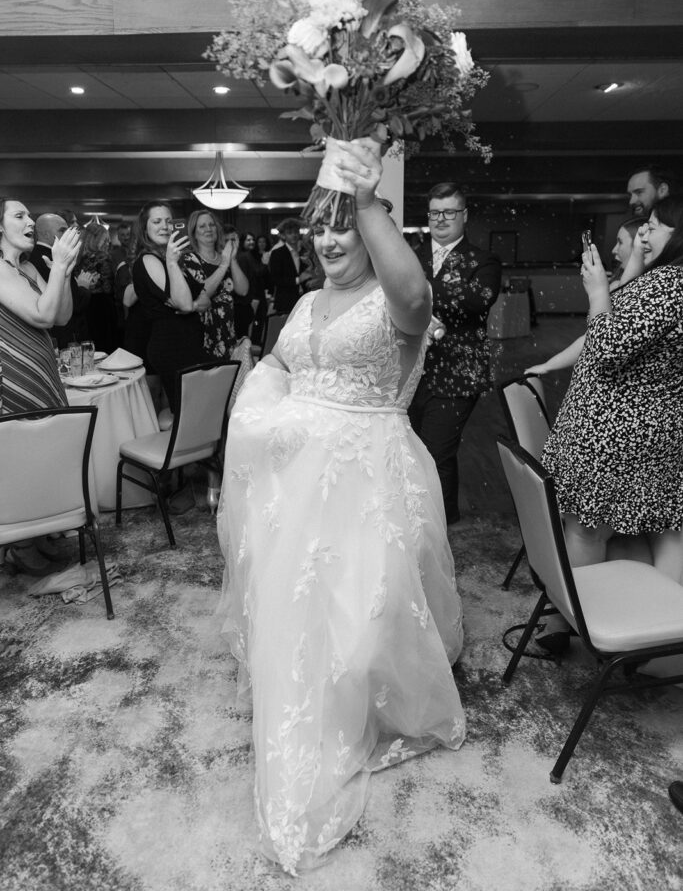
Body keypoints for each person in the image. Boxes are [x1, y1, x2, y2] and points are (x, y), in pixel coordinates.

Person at [216, 140, 465, 875]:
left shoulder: (395, 301)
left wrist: (364, 195)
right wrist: (262, 405)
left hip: (370, 479)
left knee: (363, 616)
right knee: (299, 604)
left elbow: (418, 297)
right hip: (297, 484)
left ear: (370, 230)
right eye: (316, 227)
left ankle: (363, 706)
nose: (326, 240)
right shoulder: (304, 299)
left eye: (342, 225)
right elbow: (283, 365)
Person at [542, 197, 683, 581]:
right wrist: (634, 261)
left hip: (616, 437)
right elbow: (613, 323)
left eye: (653, 227)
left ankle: (588, 623)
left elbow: (605, 349)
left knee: (586, 529)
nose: (643, 234)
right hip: (620, 434)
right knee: (623, 533)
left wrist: (597, 292)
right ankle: (626, 622)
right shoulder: (660, 278)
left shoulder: (670, 283)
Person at [408, 183, 502, 524]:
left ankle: (441, 527)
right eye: (435, 212)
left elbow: (479, 298)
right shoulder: (411, 254)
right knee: (414, 451)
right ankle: (425, 518)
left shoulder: (483, 259)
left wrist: (419, 296)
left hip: (458, 372)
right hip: (409, 369)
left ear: (464, 215)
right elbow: (385, 291)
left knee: (436, 453)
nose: (441, 219)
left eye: (449, 212)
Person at [0, 200, 82, 574]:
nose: (30, 221)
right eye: (19, 216)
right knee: (22, 460)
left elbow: (61, 317)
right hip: (14, 377)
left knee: (44, 456)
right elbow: (42, 313)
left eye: (29, 215)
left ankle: (41, 535)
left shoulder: (30, 267)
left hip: (42, 368)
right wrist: (62, 266)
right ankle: (21, 545)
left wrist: (61, 275)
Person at [526, 217, 643, 377]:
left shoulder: (644, 294)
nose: (614, 249)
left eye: (620, 242)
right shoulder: (618, 285)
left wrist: (598, 291)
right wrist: (548, 365)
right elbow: (590, 339)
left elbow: (604, 346)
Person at [131, 201, 212, 413]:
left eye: (168, 221)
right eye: (156, 221)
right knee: (188, 413)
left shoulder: (171, 257)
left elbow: (204, 300)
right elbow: (185, 302)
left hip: (189, 342)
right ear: (145, 228)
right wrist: (173, 264)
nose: (165, 226)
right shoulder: (149, 260)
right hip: (171, 346)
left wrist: (191, 305)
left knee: (198, 409)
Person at [182, 210, 248, 360]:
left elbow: (243, 290)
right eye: (202, 226)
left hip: (228, 333)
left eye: (211, 225)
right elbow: (202, 293)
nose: (208, 229)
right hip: (204, 335)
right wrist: (224, 264)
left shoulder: (224, 257)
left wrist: (232, 260)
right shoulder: (190, 259)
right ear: (194, 233)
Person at [28, 212, 94, 347]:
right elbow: (75, 305)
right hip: (60, 336)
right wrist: (83, 287)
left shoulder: (39, 256)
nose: (68, 234)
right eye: (62, 230)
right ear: (46, 234)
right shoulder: (50, 258)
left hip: (58, 329)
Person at [75, 222, 118, 353]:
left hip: (85, 305)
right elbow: (108, 288)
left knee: (90, 346)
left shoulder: (78, 259)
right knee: (106, 345)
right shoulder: (104, 259)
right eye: (105, 239)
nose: (108, 242)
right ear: (96, 239)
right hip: (103, 306)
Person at [268, 217, 312, 313]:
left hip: (304, 300)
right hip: (285, 301)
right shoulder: (277, 253)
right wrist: (298, 279)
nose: (294, 235)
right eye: (290, 233)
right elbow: (275, 279)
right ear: (283, 236)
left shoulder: (305, 251)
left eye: (296, 232)